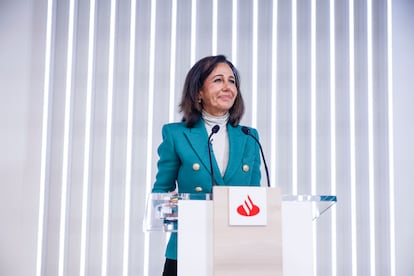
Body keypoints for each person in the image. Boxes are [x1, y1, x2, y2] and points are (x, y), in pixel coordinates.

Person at [151, 55, 262, 276]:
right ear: (198, 92)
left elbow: (256, 198)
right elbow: (160, 194)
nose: (228, 87)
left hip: (236, 252)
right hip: (187, 250)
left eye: (232, 81)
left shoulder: (250, 137)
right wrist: (181, 208)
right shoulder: (176, 134)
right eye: (218, 80)